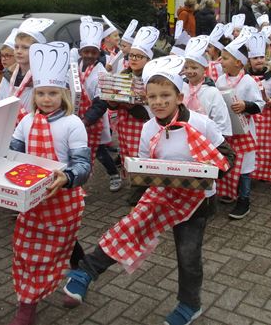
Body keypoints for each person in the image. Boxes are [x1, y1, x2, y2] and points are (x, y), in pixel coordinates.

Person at [61, 55, 234, 325]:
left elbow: (227, 156)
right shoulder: (148, 128)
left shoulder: (201, 124)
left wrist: (207, 172)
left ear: (179, 97)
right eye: (152, 97)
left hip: (197, 201)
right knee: (128, 229)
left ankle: (190, 305)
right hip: (161, 194)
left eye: (165, 95)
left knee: (188, 256)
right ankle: (86, 272)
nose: (158, 102)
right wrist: (136, 204)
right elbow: (143, 169)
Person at [8, 41, 91, 325]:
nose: (46, 99)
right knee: (27, 251)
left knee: (59, 249)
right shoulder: (26, 121)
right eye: (41, 93)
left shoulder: (72, 124)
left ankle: (75, 279)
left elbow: (83, 165)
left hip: (63, 200)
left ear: (63, 93)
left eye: (53, 93)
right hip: (31, 200)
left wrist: (67, 177)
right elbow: (12, 154)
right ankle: (27, 302)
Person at [215, 35, 265, 219]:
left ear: (238, 62)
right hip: (227, 130)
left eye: (225, 58)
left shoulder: (249, 81)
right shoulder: (220, 80)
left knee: (244, 168)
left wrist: (246, 105)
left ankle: (244, 199)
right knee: (229, 161)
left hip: (244, 132)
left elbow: (260, 104)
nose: (221, 61)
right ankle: (230, 193)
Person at [109, 26, 159, 205]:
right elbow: (112, 102)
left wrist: (134, 105)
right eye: (132, 56)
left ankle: (143, 192)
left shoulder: (153, 79)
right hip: (125, 127)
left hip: (144, 126)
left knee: (143, 158)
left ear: (148, 59)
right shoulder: (122, 75)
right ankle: (135, 187)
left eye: (139, 57)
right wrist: (112, 100)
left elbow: (151, 109)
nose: (134, 60)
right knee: (127, 158)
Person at [77, 20, 120, 191]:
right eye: (85, 51)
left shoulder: (101, 72)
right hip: (75, 116)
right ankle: (78, 183)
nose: (89, 55)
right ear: (80, 52)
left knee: (99, 150)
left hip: (93, 120)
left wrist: (87, 120)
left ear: (98, 53)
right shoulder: (74, 67)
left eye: (93, 52)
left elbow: (101, 101)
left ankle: (114, 174)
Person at [0, 18, 54, 123]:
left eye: (25, 48)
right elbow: (0, 100)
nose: (18, 51)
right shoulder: (8, 74)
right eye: (16, 47)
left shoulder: (43, 78)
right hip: (9, 126)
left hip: (35, 126)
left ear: (38, 51)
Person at [245, 33, 271, 183]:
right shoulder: (245, 76)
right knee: (251, 145)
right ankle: (250, 172)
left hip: (267, 117)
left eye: (261, 57)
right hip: (251, 116)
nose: (259, 61)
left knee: (266, 147)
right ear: (249, 60)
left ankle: (263, 173)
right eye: (255, 58)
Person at [181, 35, 232, 136]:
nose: (189, 71)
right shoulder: (181, 88)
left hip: (206, 139)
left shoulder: (212, 92)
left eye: (194, 68)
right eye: (186, 68)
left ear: (204, 69)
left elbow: (221, 121)